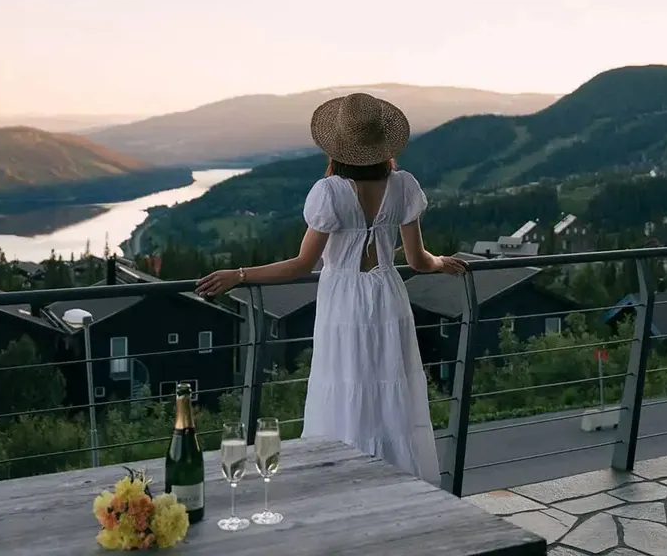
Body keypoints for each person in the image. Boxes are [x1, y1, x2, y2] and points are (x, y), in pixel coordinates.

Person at [195, 92, 467, 484]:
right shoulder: (404, 186)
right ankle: (398, 485)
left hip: (344, 303)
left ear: (338, 148)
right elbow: (420, 261)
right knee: (390, 393)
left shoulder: (331, 193)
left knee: (345, 388)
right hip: (389, 297)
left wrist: (238, 275)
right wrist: (444, 263)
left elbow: (302, 264)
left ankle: (344, 482)